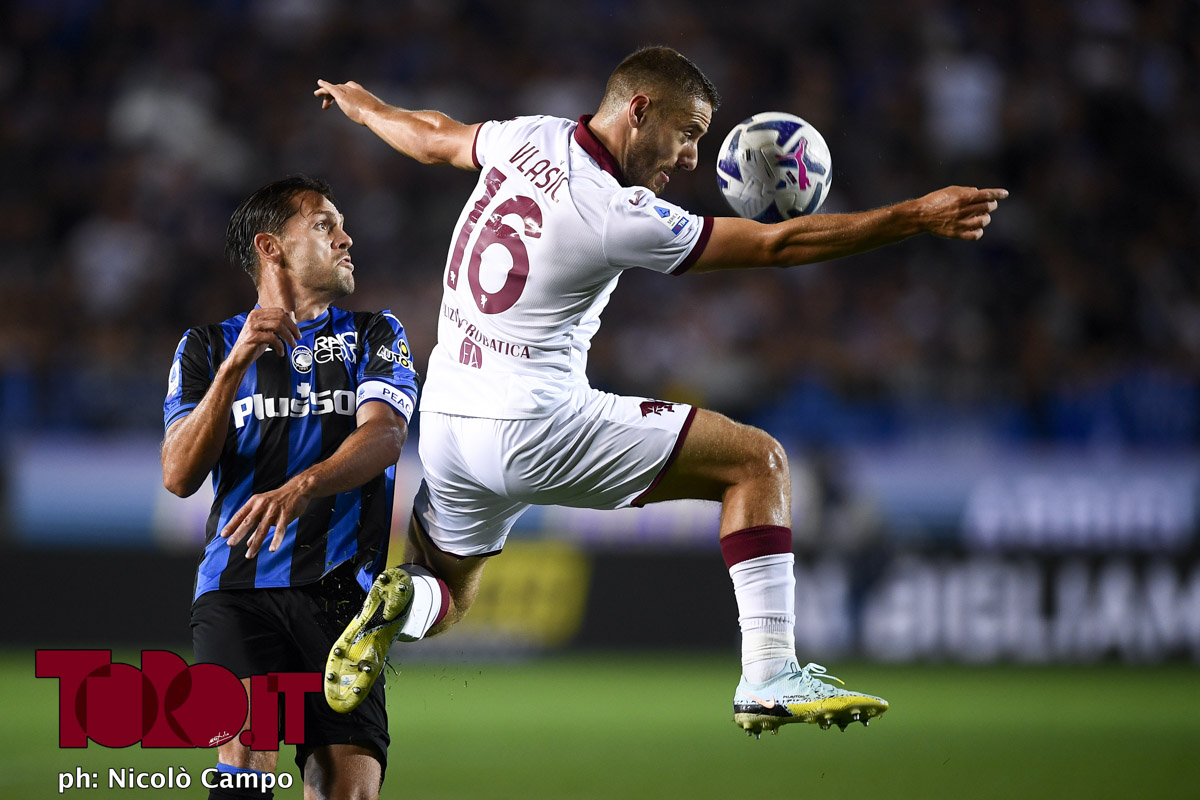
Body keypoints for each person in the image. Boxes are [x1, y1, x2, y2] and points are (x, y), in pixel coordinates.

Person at [313, 46, 1007, 737]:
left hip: (449, 424)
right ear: (640, 112)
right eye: (690, 133)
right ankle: (769, 675)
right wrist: (914, 215)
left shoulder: (531, 136)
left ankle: (400, 604)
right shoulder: (616, 210)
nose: (694, 158)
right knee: (756, 462)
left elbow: (435, 137)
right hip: (534, 424)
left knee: (449, 596)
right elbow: (776, 246)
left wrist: (366, 107)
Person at [161, 175, 419, 798]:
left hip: (341, 602)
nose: (346, 237)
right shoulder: (206, 347)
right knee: (247, 759)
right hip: (238, 589)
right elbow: (178, 475)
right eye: (325, 224)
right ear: (271, 246)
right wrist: (233, 370)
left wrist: (302, 486)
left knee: (345, 791)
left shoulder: (374, 334)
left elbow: (385, 439)